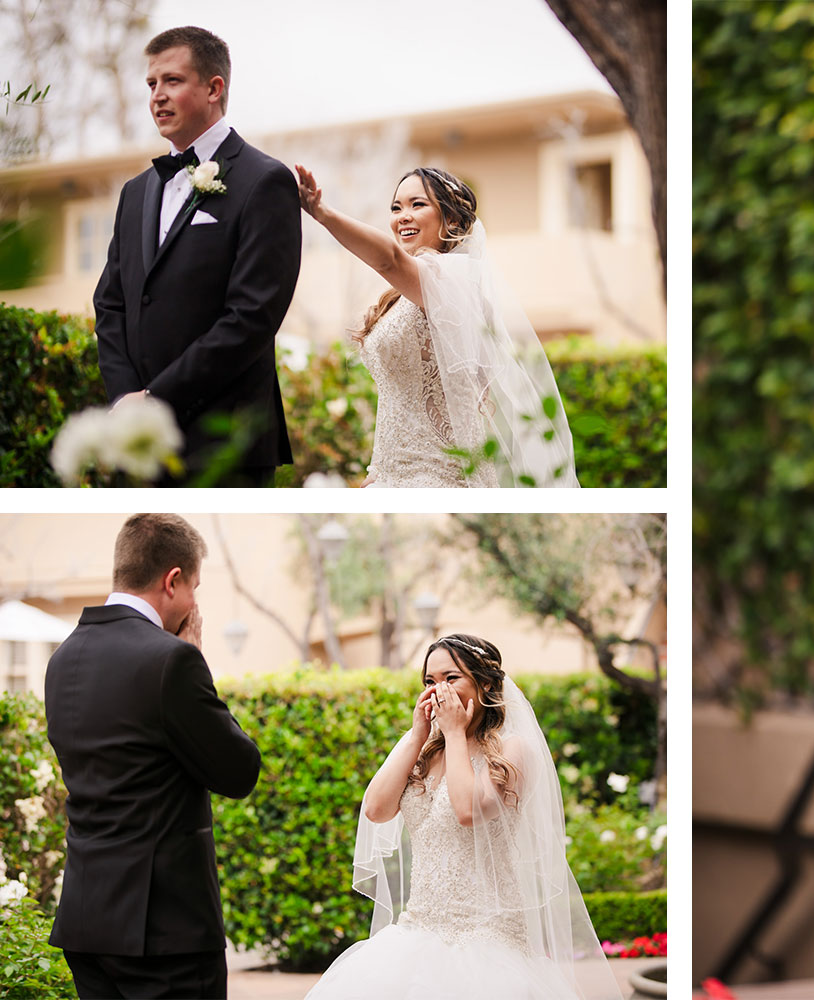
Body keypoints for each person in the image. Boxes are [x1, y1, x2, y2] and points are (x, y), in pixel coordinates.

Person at [306, 634, 617, 999]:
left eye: (451, 678)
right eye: (430, 681)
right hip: (417, 932)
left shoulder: (512, 749)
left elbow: (468, 810)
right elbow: (376, 810)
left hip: (489, 940)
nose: (439, 690)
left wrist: (453, 732)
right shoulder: (422, 749)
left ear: (484, 683)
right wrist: (418, 733)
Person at [43, 513, 262, 998]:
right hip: (164, 932)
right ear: (173, 580)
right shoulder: (172, 659)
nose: (194, 604)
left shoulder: (62, 660)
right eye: (194, 589)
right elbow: (239, 770)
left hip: (86, 921)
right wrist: (198, 660)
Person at [93, 26, 302, 486]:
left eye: (172, 81)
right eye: (151, 84)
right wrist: (128, 397)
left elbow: (252, 316)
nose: (157, 97)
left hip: (223, 443)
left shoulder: (265, 181)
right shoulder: (135, 193)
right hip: (139, 445)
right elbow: (110, 304)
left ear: (213, 88)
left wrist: (157, 398)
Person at [293, 164, 579, 487]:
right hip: (392, 476)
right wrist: (377, 473)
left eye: (418, 204)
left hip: (438, 477)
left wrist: (322, 212)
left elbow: (388, 259)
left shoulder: (451, 279)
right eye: (396, 208)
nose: (403, 216)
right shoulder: (406, 293)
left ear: (451, 220)